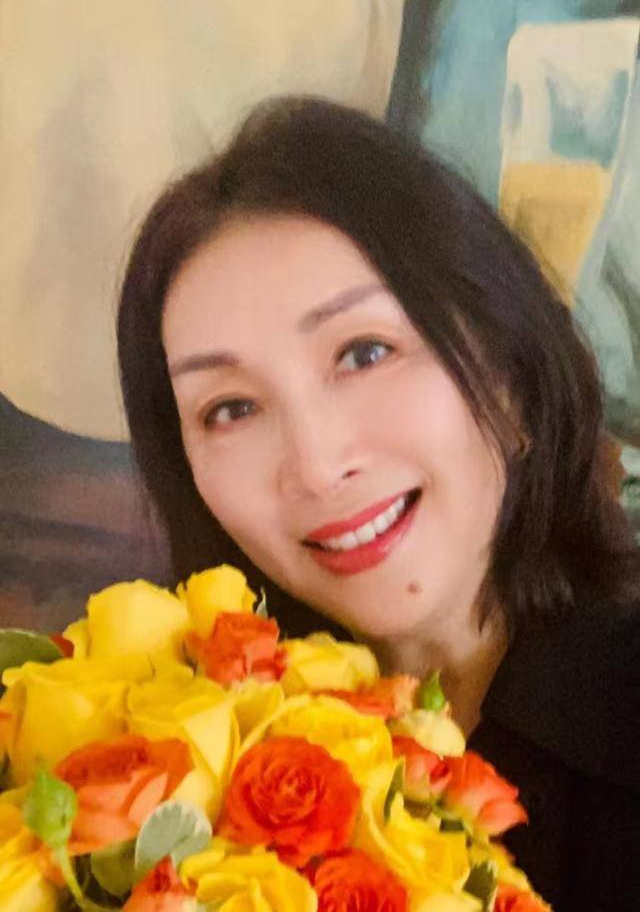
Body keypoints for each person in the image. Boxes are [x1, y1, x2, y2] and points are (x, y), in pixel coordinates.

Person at [117, 97, 640, 910]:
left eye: (364, 352)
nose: (318, 466)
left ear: (508, 377)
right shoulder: (163, 771)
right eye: (231, 407)